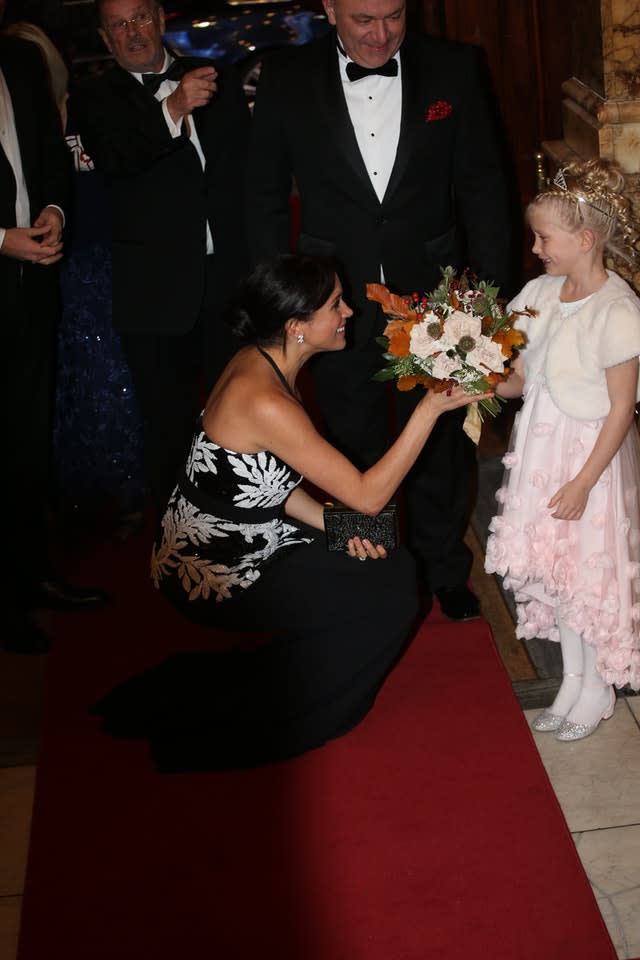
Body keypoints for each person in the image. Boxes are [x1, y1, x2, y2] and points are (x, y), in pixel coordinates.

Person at [91, 254, 491, 771]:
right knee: (392, 585)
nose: (349, 312)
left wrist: (336, 526)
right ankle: (315, 710)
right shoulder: (266, 400)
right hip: (217, 570)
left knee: (379, 543)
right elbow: (368, 495)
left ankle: (307, 665)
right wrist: (430, 409)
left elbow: (262, 483)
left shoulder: (262, 358)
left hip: (233, 530)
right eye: (335, 305)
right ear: (297, 327)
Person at [246, 0, 513, 622]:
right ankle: (365, 569)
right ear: (329, 8)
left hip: (438, 292)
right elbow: (260, 193)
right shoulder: (286, 76)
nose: (380, 33)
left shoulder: (454, 68)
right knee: (347, 438)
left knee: (441, 440)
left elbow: (483, 186)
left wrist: (490, 299)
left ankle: (443, 568)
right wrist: (282, 298)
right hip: (331, 297)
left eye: (393, 16)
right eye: (363, 18)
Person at [70, 0, 250, 513]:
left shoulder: (217, 78)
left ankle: (245, 529)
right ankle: (180, 546)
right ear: (105, 40)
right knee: (169, 428)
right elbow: (117, 158)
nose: (133, 32)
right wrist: (172, 109)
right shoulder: (94, 97)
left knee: (240, 417)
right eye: (118, 25)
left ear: (161, 19)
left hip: (227, 281)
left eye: (140, 18)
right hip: (153, 294)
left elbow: (246, 174)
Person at [485, 158, 640, 740]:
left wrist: (581, 483)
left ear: (585, 238)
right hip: (540, 450)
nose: (535, 247)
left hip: (587, 460)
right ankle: (571, 681)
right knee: (557, 571)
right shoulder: (538, 293)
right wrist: (474, 377)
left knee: (586, 571)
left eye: (544, 237)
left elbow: (622, 408)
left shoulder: (618, 309)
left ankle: (598, 687)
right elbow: (521, 378)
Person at [0, 29, 109, 656]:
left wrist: (54, 213)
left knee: (27, 444)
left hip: (31, 289)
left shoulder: (16, 58)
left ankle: (34, 576)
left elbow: (44, 153)